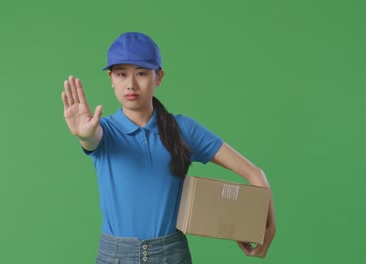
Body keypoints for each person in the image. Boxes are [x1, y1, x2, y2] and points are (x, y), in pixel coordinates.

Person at [61, 32, 276, 264]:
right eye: (121, 74)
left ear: (159, 77)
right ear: (111, 79)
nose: (131, 84)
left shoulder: (182, 129)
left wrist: (268, 225)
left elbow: (255, 173)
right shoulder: (104, 130)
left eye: (141, 73)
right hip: (114, 257)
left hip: (171, 256)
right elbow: (92, 140)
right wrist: (85, 135)